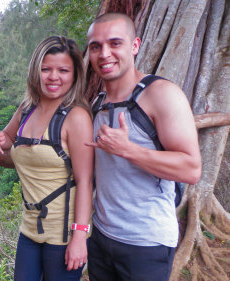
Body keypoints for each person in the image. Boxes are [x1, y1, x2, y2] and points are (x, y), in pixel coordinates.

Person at [85, 13, 202, 281]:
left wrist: (128, 150)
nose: (104, 54)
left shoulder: (161, 95)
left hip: (146, 242)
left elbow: (191, 169)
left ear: (135, 46)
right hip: (102, 236)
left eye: (115, 43)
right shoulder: (98, 103)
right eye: (95, 46)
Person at [0, 36, 94, 281]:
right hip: (29, 231)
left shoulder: (76, 118)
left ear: (75, 74)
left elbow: (85, 181)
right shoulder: (28, 108)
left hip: (63, 235)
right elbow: (8, 137)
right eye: (46, 69)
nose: (53, 77)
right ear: (35, 71)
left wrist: (79, 236)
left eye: (63, 70)